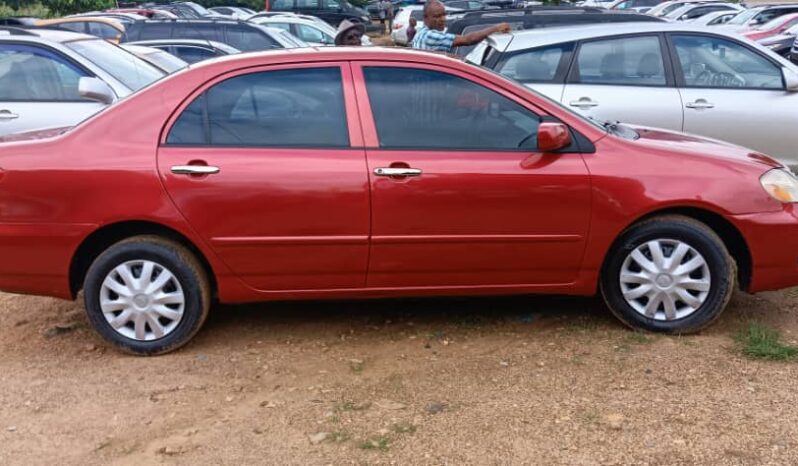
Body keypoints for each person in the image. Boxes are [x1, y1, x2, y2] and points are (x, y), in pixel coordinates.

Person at [411, 0, 510, 53]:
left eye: (444, 14)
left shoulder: (421, 32)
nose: (443, 19)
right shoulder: (430, 36)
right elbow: (467, 40)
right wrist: (495, 28)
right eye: (437, 16)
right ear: (425, 18)